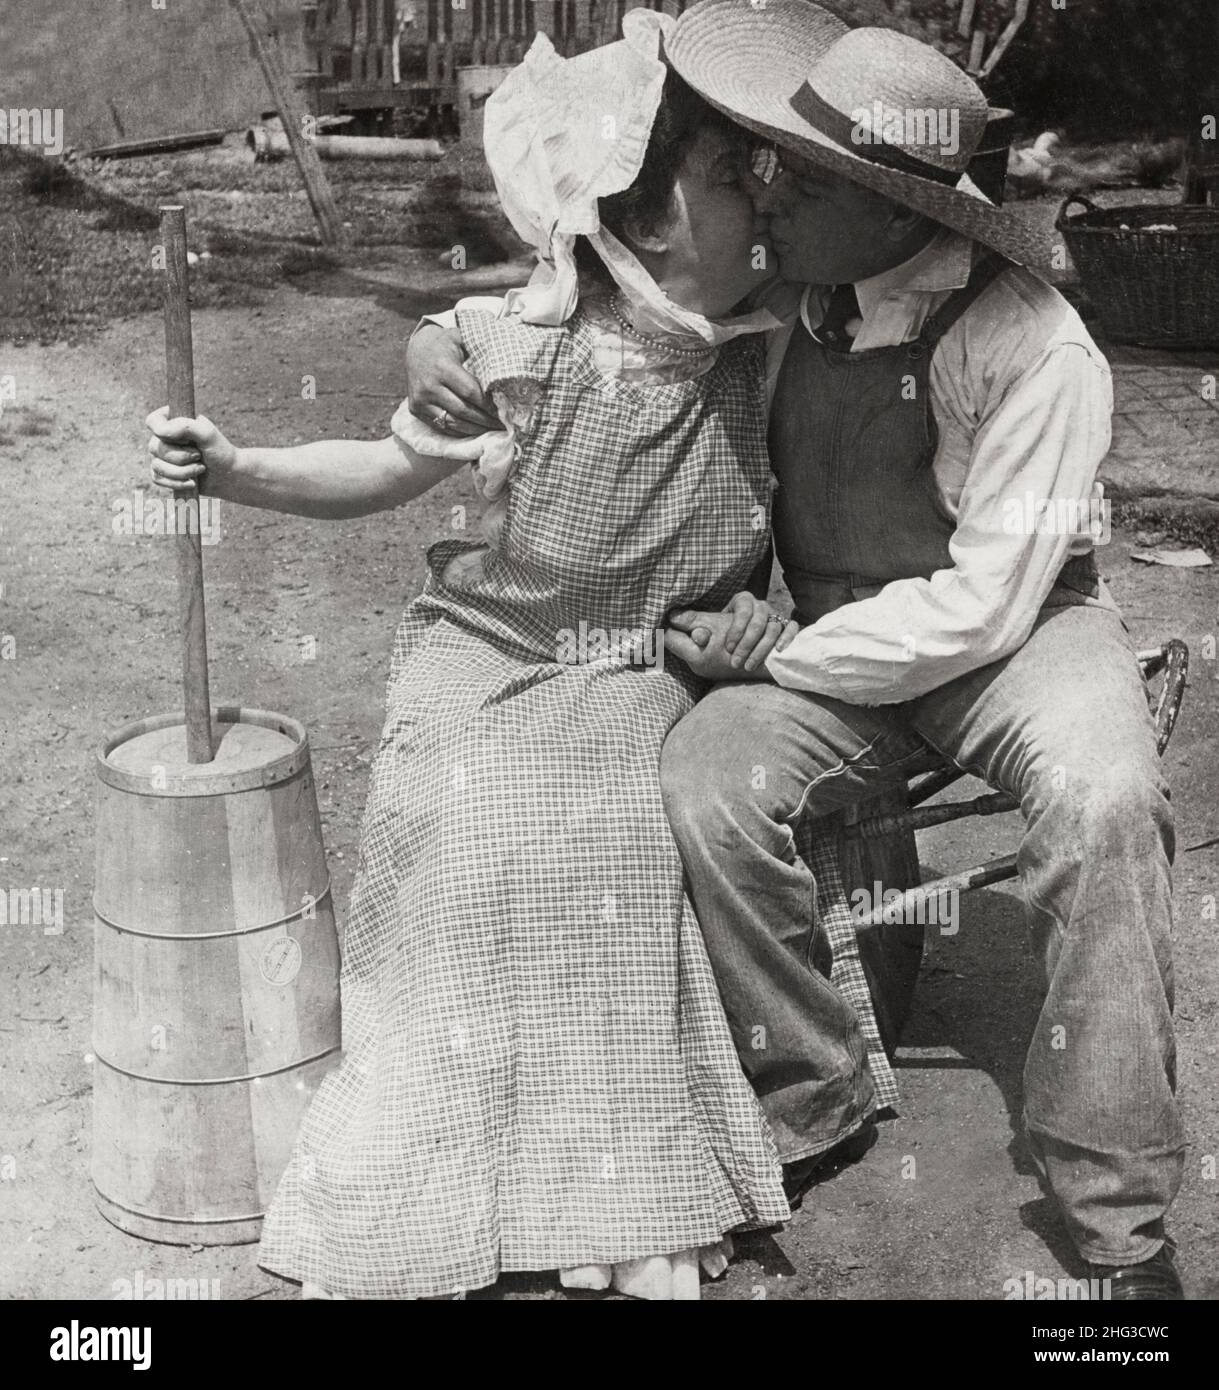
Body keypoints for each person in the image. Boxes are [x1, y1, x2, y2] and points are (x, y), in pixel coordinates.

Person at [411, 0, 1186, 1301]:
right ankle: (812, 1088)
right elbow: (586, 283)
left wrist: (778, 654)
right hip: (832, 630)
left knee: (1107, 802)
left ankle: (1119, 1227)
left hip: (1016, 637)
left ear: (894, 209)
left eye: (800, 174)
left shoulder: (1038, 351)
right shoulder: (800, 271)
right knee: (700, 783)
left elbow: (985, 607)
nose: (763, 185)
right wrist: (449, 334)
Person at [144, 11, 801, 1300]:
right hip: (493, 650)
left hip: (634, 670)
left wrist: (767, 627)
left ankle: (615, 1192)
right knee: (474, 816)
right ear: (645, 215)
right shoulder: (513, 345)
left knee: (611, 832)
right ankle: (452, 1157)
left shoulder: (776, 346)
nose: (762, 196)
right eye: (731, 176)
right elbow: (382, 471)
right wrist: (237, 467)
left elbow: (814, 529)